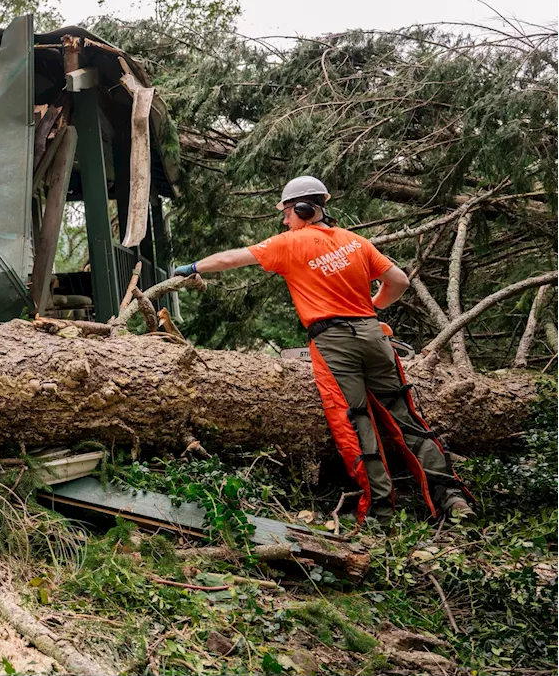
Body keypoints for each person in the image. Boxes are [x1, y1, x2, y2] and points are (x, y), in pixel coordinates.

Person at [172, 175, 472, 524]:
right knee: (407, 418)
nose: (284, 220)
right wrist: (372, 307)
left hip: (333, 342)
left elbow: (230, 259)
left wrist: (193, 267)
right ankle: (451, 498)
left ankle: (380, 514)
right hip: (373, 335)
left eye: (286, 213)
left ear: (301, 209)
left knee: (356, 422)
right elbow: (399, 282)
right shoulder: (355, 242)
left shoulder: (288, 243)